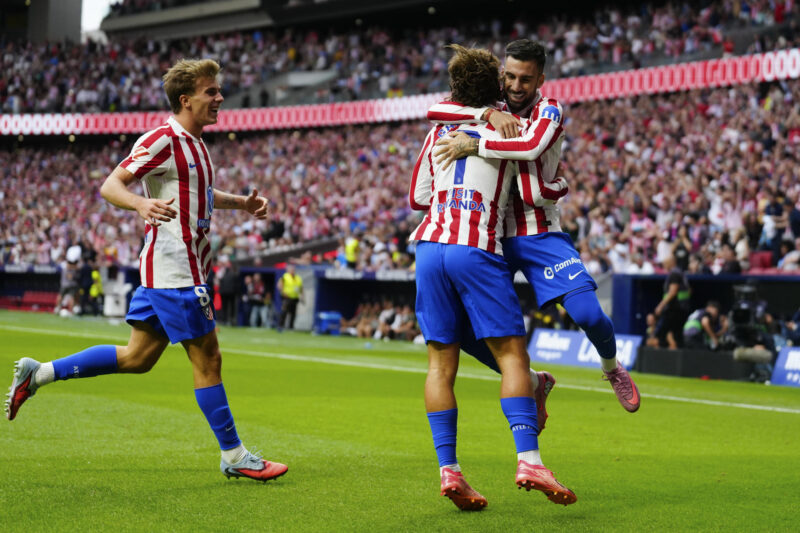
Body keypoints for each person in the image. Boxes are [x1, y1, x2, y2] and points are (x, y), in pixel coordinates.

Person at [5, 58, 287, 483]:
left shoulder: (198, 143)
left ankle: (38, 372)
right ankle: (234, 454)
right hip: (176, 270)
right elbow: (111, 185)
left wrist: (241, 204)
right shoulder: (162, 139)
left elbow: (200, 194)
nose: (219, 98)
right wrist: (140, 203)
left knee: (137, 358)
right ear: (185, 99)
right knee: (209, 358)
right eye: (211, 92)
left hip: (177, 268)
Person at [428, 39, 640, 413]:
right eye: (509, 76)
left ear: (540, 78)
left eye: (525, 79)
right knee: (459, 330)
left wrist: (475, 144)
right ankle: (531, 381)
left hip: (540, 230)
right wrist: (487, 116)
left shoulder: (550, 110)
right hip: (490, 236)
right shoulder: (489, 106)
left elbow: (528, 145)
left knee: (588, 314)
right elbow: (434, 110)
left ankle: (612, 367)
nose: (514, 86)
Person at [410, 44, 576, 511]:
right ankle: (529, 460)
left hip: (429, 247)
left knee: (440, 366)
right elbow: (534, 187)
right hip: (475, 247)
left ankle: (450, 471)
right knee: (513, 359)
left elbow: (418, 196)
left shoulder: (439, 128)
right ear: (498, 83)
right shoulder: (512, 126)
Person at [654, 254, 692, 349]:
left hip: (674, 309)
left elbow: (673, 291)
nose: (663, 264)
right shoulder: (681, 273)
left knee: (661, 334)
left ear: (671, 262)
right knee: (677, 335)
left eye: (665, 262)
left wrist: (660, 306)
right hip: (682, 309)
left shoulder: (674, 274)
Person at [277, 264, 303, 330]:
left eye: (293, 269)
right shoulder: (285, 276)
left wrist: (302, 296)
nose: (292, 271)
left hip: (295, 297)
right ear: (288, 270)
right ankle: (281, 325)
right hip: (287, 297)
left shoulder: (298, 277)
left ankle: (291, 326)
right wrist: (283, 292)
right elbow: (279, 285)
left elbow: (300, 288)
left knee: (293, 313)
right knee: (284, 311)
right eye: (291, 269)